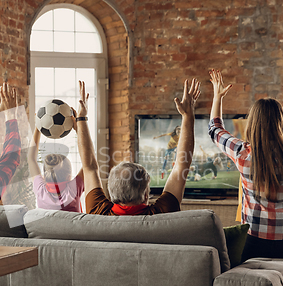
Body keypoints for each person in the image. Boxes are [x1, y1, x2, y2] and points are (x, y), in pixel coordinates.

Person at [208, 69, 283, 267]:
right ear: (281, 123)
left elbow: (215, 130)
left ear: (253, 124)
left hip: (254, 247)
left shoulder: (242, 153)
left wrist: (217, 96)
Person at [78, 79, 200, 216]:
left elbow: (89, 167)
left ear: (110, 192)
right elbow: (181, 167)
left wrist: (81, 118)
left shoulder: (98, 211)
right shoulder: (162, 212)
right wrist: (188, 115)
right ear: (146, 194)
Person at [28, 124, 84, 212]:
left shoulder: (40, 190)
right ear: (68, 176)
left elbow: (31, 158)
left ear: (45, 175)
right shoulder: (72, 190)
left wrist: (38, 126)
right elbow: (89, 163)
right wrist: (78, 127)